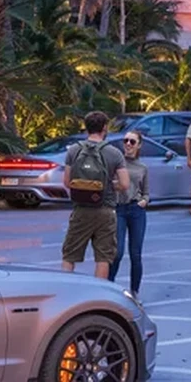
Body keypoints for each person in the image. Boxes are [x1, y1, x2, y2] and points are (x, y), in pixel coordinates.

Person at [62, 110, 129, 279]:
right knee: (103, 257)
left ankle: (64, 290)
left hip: (81, 209)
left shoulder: (74, 150)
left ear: (86, 128)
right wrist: (109, 186)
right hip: (105, 209)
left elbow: (67, 181)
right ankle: (98, 295)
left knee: (70, 255)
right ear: (104, 128)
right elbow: (125, 184)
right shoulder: (114, 153)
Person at [111, 130, 151, 301]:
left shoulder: (143, 168)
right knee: (117, 252)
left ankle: (135, 292)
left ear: (139, 145)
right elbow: (108, 185)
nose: (128, 144)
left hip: (136, 210)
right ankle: (109, 287)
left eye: (132, 142)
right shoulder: (117, 164)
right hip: (119, 209)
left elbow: (147, 192)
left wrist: (144, 200)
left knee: (135, 254)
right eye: (126, 141)